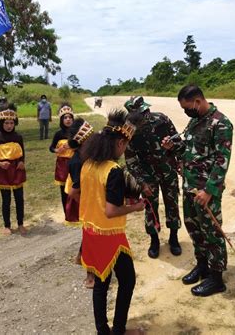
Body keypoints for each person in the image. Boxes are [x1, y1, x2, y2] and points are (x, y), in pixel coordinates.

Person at [162, 84, 233, 297]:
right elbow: (191, 151)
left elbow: (222, 160)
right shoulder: (194, 121)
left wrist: (210, 190)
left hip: (206, 191)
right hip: (191, 187)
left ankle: (216, 277)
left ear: (198, 101)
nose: (186, 111)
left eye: (187, 107)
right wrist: (173, 147)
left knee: (212, 232)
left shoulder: (221, 123)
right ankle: (202, 266)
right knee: (194, 228)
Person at [80, 110, 144, 335]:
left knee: (100, 284)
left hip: (90, 232)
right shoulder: (113, 171)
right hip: (110, 236)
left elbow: (87, 196)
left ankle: (102, 331)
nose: (124, 149)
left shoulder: (87, 164)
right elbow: (110, 210)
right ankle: (118, 330)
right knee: (127, 281)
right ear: (119, 142)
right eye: (125, 145)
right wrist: (135, 207)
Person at [124, 96, 182, 259]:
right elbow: (130, 159)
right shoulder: (129, 130)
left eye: (147, 110)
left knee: (172, 204)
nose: (147, 114)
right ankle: (154, 240)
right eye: (143, 113)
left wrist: (174, 149)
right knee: (150, 207)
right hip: (147, 175)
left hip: (168, 170)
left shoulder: (162, 119)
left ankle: (174, 237)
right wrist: (141, 182)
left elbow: (179, 143)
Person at [0, 105, 27, 235]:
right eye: (6, 123)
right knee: (6, 199)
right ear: (1, 123)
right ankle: (7, 225)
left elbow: (22, 153)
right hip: (2, 171)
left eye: (11, 123)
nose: (9, 126)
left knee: (19, 198)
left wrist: (21, 162)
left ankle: (20, 224)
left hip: (17, 169)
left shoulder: (18, 137)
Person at [64, 118, 95, 288]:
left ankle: (79, 255)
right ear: (83, 141)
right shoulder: (76, 162)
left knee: (90, 232)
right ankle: (90, 275)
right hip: (82, 201)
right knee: (91, 233)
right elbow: (75, 191)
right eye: (91, 138)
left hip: (90, 199)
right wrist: (87, 206)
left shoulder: (90, 155)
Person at [49, 104, 75, 214]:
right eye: (65, 117)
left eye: (70, 117)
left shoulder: (77, 132)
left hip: (75, 164)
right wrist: (57, 150)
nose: (68, 120)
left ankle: (77, 212)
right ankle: (67, 213)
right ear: (61, 120)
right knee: (64, 190)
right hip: (62, 165)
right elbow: (51, 147)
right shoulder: (58, 134)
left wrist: (73, 146)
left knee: (76, 188)